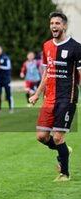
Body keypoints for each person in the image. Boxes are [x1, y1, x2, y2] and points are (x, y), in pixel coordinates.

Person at [29, 11, 81, 182]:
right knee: (41, 136)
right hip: (48, 98)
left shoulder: (76, 47)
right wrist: (37, 94)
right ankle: (63, 150)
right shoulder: (46, 46)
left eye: (57, 23)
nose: (54, 26)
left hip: (67, 97)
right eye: (52, 23)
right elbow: (46, 73)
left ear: (64, 26)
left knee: (58, 137)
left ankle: (64, 173)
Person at [0, 45, 14, 113]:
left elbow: (8, 67)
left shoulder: (5, 58)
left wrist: (0, 67)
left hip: (6, 79)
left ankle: (11, 108)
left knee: (8, 93)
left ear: (1, 50)